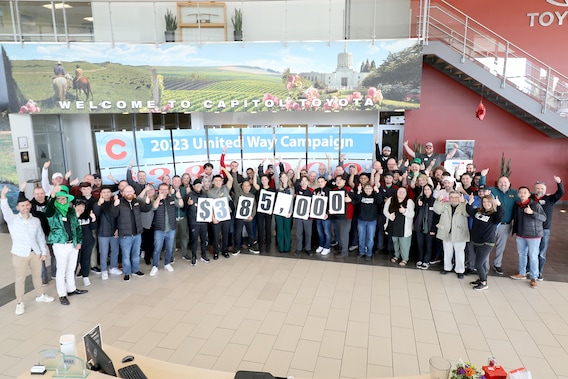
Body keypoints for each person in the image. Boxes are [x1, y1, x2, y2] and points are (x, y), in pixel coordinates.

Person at [1, 186, 54, 315]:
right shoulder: (13, 220)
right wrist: (3, 197)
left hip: (35, 253)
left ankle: (40, 295)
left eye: (27, 205)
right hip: (20, 254)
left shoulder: (35, 221)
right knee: (20, 279)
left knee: (37, 276)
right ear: (18, 208)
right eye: (22, 206)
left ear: (30, 206)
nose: (25, 207)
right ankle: (19, 302)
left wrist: (43, 252)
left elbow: (41, 237)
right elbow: (6, 210)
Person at [44, 185, 87, 305]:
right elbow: (48, 209)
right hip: (60, 244)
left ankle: (71, 289)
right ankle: (62, 294)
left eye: (64, 199)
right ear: (56, 200)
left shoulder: (71, 211)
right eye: (59, 199)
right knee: (61, 270)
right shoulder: (52, 212)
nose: (62, 201)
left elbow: (77, 227)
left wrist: (79, 241)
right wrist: (51, 198)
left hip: (72, 244)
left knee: (71, 268)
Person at [479, 170, 518, 275]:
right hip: (492, 224)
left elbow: (523, 200)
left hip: (506, 224)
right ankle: (484, 265)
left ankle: (497, 264)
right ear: (497, 183)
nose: (503, 184)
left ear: (509, 184)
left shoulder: (514, 193)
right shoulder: (492, 190)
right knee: (487, 244)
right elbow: (483, 187)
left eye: (505, 183)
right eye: (501, 182)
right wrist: (483, 176)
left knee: (501, 246)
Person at [111, 185, 153, 281]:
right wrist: (114, 205)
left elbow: (146, 209)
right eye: (127, 191)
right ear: (122, 193)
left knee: (136, 254)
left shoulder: (137, 202)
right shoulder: (119, 202)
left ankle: (135, 270)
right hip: (125, 235)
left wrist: (148, 202)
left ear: (134, 192)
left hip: (137, 234)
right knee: (126, 255)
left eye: (131, 191)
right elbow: (113, 214)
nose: (129, 193)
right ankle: (127, 273)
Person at [509, 186, 546, 289]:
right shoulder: (517, 206)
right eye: (520, 192)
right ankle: (522, 273)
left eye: (525, 193)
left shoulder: (535, 205)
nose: (522, 194)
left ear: (529, 194)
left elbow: (543, 218)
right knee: (522, 254)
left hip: (533, 235)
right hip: (521, 234)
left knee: (533, 256)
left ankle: (534, 277)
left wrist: (532, 213)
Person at [466, 193, 504, 291]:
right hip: (476, 241)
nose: (486, 204)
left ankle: (484, 282)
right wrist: (469, 203)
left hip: (486, 243)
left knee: (478, 264)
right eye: (484, 202)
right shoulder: (478, 212)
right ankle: (481, 279)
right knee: (481, 264)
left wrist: (499, 205)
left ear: (492, 203)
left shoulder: (495, 215)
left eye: (488, 202)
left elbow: (501, 216)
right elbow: (470, 211)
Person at [529, 176, 564, 281]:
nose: (540, 190)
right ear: (534, 189)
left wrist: (559, 183)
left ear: (545, 189)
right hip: (531, 228)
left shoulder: (550, 199)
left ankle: (539, 272)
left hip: (545, 229)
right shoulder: (529, 198)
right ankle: (528, 269)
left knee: (541, 252)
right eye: (538, 188)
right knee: (529, 251)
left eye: (542, 188)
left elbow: (560, 193)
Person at [149, 183, 184, 276]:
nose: (164, 191)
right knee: (157, 249)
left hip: (171, 228)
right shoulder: (155, 199)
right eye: (162, 189)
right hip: (159, 229)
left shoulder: (171, 199)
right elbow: (154, 207)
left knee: (169, 248)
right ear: (158, 190)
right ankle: (155, 266)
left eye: (166, 189)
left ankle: (167, 263)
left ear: (168, 190)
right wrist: (158, 198)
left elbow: (181, 205)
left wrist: (179, 197)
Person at [433, 190, 470, 279]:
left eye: (456, 197)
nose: (454, 199)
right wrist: (438, 200)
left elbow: (467, 213)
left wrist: (464, 202)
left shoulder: (464, 205)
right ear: (449, 198)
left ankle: (460, 270)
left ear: (459, 197)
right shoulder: (445, 204)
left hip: (459, 233)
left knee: (460, 253)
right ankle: (447, 268)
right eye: (452, 197)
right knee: (447, 252)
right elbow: (437, 210)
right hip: (447, 233)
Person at [92, 186, 121, 280]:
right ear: (101, 194)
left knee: (115, 251)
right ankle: (104, 270)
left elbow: (118, 216)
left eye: (108, 192)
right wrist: (99, 204)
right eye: (104, 192)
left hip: (114, 231)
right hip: (102, 232)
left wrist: (118, 228)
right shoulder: (97, 203)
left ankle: (113, 267)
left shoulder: (114, 203)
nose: (106, 194)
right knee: (103, 252)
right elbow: (96, 214)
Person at [207, 167, 233, 259]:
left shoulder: (225, 189)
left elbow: (231, 179)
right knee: (216, 235)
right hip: (216, 217)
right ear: (213, 182)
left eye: (219, 180)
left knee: (225, 234)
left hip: (226, 215)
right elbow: (210, 206)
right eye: (216, 180)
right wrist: (213, 217)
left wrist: (224, 170)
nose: (218, 182)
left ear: (222, 181)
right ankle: (216, 252)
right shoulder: (210, 192)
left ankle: (225, 251)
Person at [384, 187, 414, 266]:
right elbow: (385, 211)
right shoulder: (391, 199)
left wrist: (405, 211)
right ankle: (396, 255)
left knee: (404, 244)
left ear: (406, 193)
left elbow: (412, 215)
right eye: (399, 191)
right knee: (395, 242)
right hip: (393, 225)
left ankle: (405, 258)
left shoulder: (409, 201)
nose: (401, 193)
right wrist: (390, 216)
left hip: (404, 227)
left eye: (403, 192)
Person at [232, 169, 260, 255]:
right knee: (238, 233)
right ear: (242, 186)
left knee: (251, 233)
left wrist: (252, 215)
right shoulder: (238, 193)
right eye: (245, 185)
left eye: (248, 186)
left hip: (248, 218)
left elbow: (254, 207)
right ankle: (237, 248)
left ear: (250, 187)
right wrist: (233, 173)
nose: (246, 187)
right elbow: (235, 183)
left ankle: (251, 246)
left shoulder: (251, 195)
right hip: (239, 218)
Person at [353, 182, 383, 260]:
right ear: (364, 189)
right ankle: (361, 252)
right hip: (361, 220)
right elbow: (356, 202)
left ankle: (369, 253)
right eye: (366, 188)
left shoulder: (375, 196)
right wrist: (359, 192)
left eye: (370, 188)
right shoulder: (361, 195)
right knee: (361, 237)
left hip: (372, 221)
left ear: (372, 189)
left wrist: (377, 192)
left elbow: (380, 201)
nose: (368, 190)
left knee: (370, 238)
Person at [414, 184, 438, 270]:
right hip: (419, 226)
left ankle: (426, 261)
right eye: (425, 190)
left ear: (431, 191)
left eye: (428, 189)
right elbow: (416, 213)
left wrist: (434, 229)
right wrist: (418, 206)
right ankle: (420, 259)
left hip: (430, 227)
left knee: (429, 245)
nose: (426, 191)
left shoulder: (435, 201)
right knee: (420, 244)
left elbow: (436, 216)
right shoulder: (420, 199)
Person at [73, 199, 97, 287]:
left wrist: (93, 218)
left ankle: (85, 276)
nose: (81, 208)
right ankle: (71, 279)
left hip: (87, 242)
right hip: (76, 244)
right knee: (74, 262)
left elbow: (93, 228)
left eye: (83, 206)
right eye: (78, 206)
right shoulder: (71, 216)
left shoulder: (87, 216)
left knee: (86, 260)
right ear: (74, 207)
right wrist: (76, 217)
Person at [186, 179, 210, 265]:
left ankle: (203, 255)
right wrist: (188, 204)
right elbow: (185, 209)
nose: (198, 187)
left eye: (200, 185)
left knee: (204, 239)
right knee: (194, 240)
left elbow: (208, 207)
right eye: (197, 185)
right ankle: (194, 257)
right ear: (193, 186)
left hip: (203, 221)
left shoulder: (204, 194)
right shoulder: (190, 195)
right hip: (194, 222)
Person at [274, 171, 294, 254]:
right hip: (278, 212)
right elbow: (275, 175)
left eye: (285, 177)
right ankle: (281, 247)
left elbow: (292, 201)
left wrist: (290, 212)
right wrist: (274, 163)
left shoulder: (291, 188)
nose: (283, 179)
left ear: (288, 178)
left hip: (287, 212)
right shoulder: (278, 187)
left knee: (287, 230)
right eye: (282, 177)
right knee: (280, 230)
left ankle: (287, 247)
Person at [294, 176, 314, 256]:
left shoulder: (312, 191)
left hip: (308, 216)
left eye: (306, 181)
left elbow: (315, 202)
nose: (304, 182)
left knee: (308, 233)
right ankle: (298, 248)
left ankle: (308, 248)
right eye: (302, 181)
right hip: (299, 215)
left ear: (308, 182)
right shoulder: (297, 190)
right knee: (298, 233)